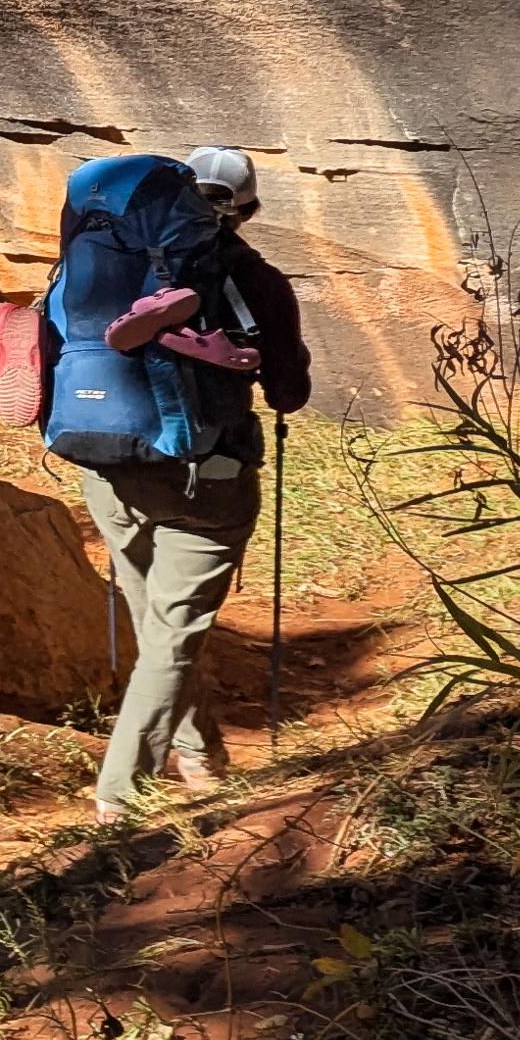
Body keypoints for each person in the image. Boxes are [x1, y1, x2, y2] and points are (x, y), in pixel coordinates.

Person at [74, 146, 313, 819]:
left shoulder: (102, 261)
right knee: (174, 633)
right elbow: (289, 394)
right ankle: (120, 798)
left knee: (160, 627)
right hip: (205, 479)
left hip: (106, 465)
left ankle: (201, 757)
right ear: (249, 211)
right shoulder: (256, 281)